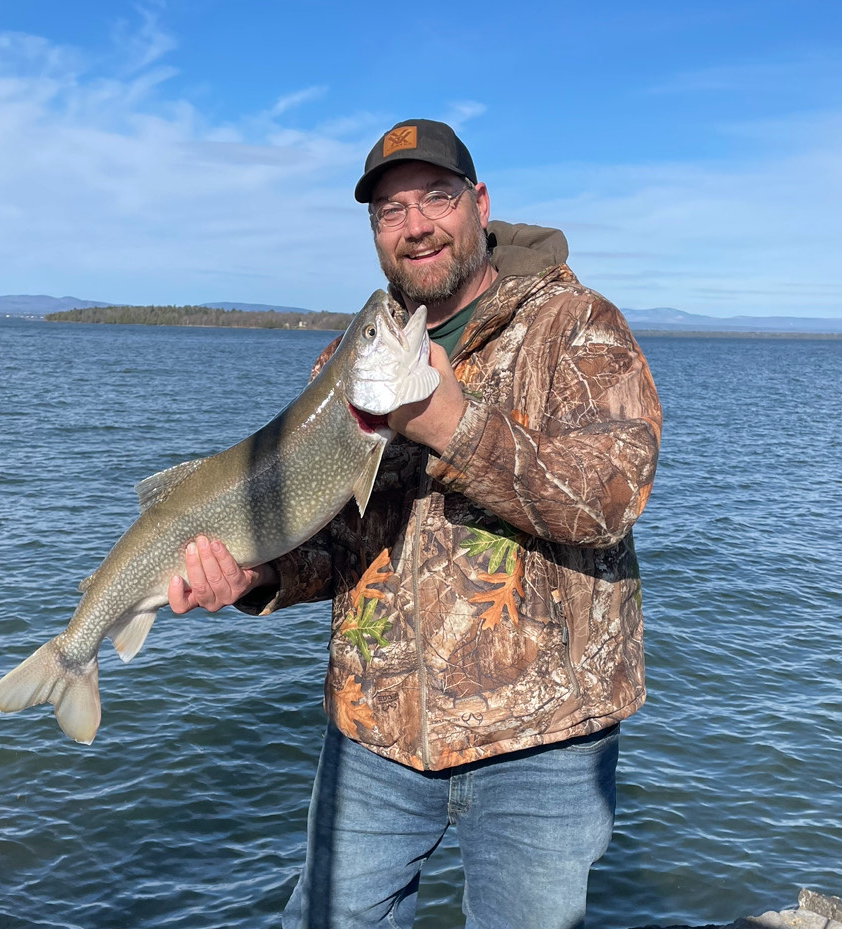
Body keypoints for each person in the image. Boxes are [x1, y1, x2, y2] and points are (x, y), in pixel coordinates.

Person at [168, 119, 662, 929]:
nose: (416, 225)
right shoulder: (359, 352)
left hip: (542, 742)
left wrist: (452, 425)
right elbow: (339, 539)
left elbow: (610, 498)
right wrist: (258, 572)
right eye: (390, 211)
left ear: (479, 204)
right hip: (375, 731)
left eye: (435, 197)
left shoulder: (576, 325)